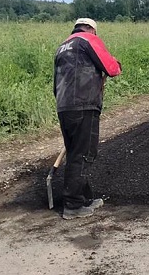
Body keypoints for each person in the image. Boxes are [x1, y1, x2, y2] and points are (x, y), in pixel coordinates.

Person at [53, 17, 122, 219]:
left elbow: (55, 83)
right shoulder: (88, 39)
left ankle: (84, 198)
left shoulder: (62, 47)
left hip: (64, 107)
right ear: (92, 29)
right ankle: (73, 205)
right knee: (84, 154)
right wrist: (117, 64)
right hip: (84, 105)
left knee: (75, 152)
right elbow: (111, 68)